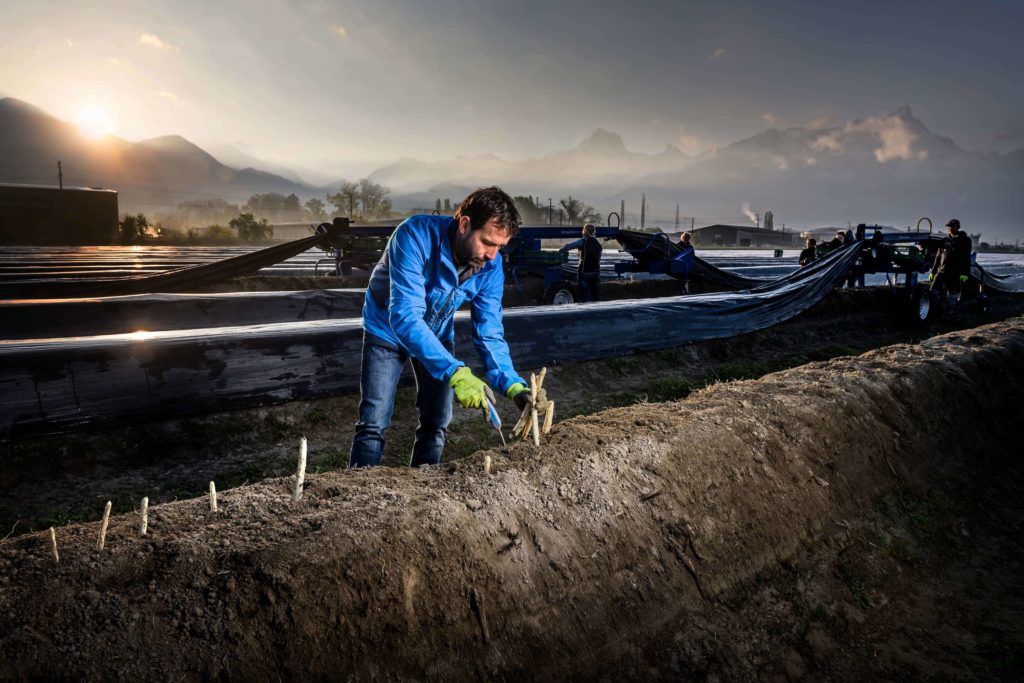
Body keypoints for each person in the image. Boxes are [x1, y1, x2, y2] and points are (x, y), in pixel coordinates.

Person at [349, 186, 533, 468]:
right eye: (487, 242)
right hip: (386, 328)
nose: (493, 256)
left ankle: (425, 493)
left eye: (500, 247)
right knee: (374, 422)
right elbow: (406, 316)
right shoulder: (413, 236)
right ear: (464, 224)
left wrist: (514, 386)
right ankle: (359, 498)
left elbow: (490, 332)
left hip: (435, 332)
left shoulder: (490, 268)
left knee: (437, 422)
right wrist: (456, 372)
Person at [929, 218, 973, 313]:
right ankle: (937, 311)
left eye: (952, 226)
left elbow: (966, 258)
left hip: (956, 272)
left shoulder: (965, 241)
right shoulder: (944, 240)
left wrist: (965, 273)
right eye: (948, 226)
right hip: (942, 271)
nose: (950, 228)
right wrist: (933, 271)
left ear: (958, 227)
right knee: (933, 290)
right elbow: (938, 257)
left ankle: (950, 315)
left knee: (952, 294)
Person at [559, 223, 603, 302]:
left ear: (584, 231)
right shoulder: (598, 244)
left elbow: (568, 246)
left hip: (584, 273)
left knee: (585, 298)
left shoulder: (583, 241)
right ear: (594, 232)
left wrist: (561, 251)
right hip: (596, 273)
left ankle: (586, 313)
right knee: (596, 298)